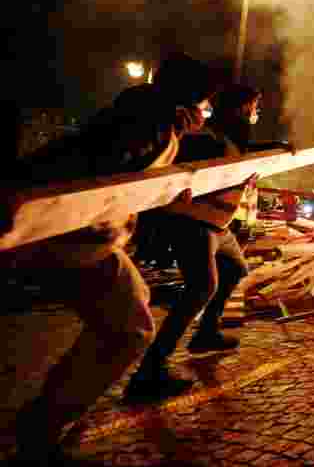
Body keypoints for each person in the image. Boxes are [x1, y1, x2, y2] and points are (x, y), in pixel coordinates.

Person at [2, 54, 219, 465]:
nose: (206, 116)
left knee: (126, 324)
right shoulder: (149, 122)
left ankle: (44, 423)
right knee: (128, 330)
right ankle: (38, 432)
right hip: (72, 238)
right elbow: (87, 165)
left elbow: (124, 179)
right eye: (206, 107)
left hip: (91, 238)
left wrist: (165, 190)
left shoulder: (151, 118)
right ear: (188, 104)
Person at [123, 83, 291, 402]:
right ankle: (149, 372)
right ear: (242, 107)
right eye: (254, 106)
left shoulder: (229, 140)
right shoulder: (207, 139)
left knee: (235, 269)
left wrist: (276, 148)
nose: (257, 112)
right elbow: (181, 172)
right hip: (193, 223)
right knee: (201, 288)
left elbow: (240, 158)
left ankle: (206, 333)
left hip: (217, 225)